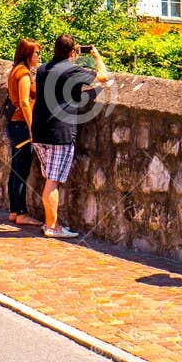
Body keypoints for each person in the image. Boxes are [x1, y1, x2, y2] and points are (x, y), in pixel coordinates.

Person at [31, 34, 111, 239]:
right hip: (60, 133)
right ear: (72, 51)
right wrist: (97, 56)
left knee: (49, 179)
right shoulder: (72, 70)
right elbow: (103, 77)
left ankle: (50, 223)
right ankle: (52, 226)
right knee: (53, 182)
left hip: (39, 131)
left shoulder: (42, 69)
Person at [6, 38, 40, 226]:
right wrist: (32, 127)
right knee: (21, 169)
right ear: (27, 54)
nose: (38, 57)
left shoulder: (15, 70)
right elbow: (25, 102)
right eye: (36, 53)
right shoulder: (24, 74)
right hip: (21, 125)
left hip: (15, 124)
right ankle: (20, 212)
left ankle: (14, 210)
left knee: (15, 168)